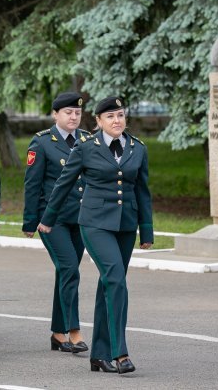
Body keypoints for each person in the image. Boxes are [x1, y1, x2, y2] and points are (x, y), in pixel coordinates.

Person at [38, 96, 153, 374]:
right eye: (110, 117)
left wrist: (146, 230)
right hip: (94, 223)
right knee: (115, 279)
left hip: (125, 225)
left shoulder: (138, 148)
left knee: (109, 285)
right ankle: (120, 352)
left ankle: (99, 355)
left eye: (121, 116)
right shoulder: (87, 147)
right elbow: (64, 183)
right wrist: (48, 219)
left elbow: (142, 191)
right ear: (98, 122)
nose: (117, 121)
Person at [22, 92, 92, 354]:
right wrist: (30, 221)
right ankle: (73, 330)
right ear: (55, 114)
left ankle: (57, 332)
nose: (73, 117)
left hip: (81, 218)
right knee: (69, 268)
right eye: (68, 112)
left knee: (67, 272)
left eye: (77, 113)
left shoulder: (87, 140)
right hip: (52, 220)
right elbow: (32, 185)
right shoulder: (42, 143)